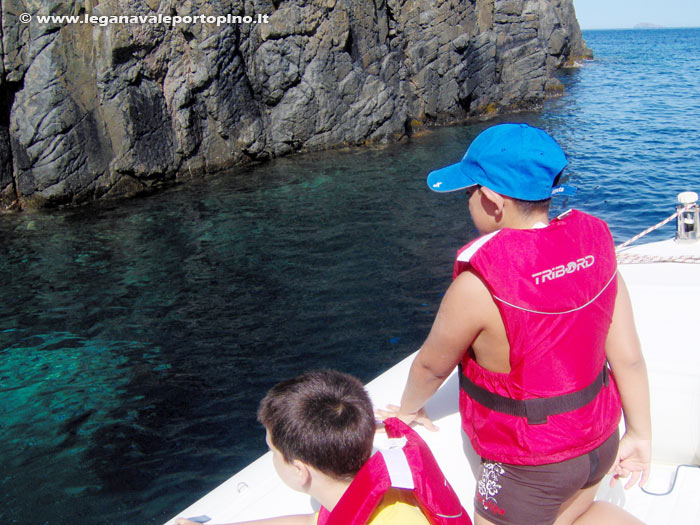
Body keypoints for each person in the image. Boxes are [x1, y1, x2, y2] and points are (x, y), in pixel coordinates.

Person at [378, 123, 651, 525]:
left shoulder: (478, 283)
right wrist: (641, 435)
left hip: (530, 467)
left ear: (491, 201)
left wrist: (407, 411)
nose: (468, 201)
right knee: (581, 513)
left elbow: (432, 366)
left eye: (469, 193)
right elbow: (628, 360)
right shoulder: (595, 248)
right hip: (600, 442)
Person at [175, 369, 470, 525]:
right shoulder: (378, 489)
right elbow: (312, 521)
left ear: (299, 470)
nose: (271, 458)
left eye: (273, 452)